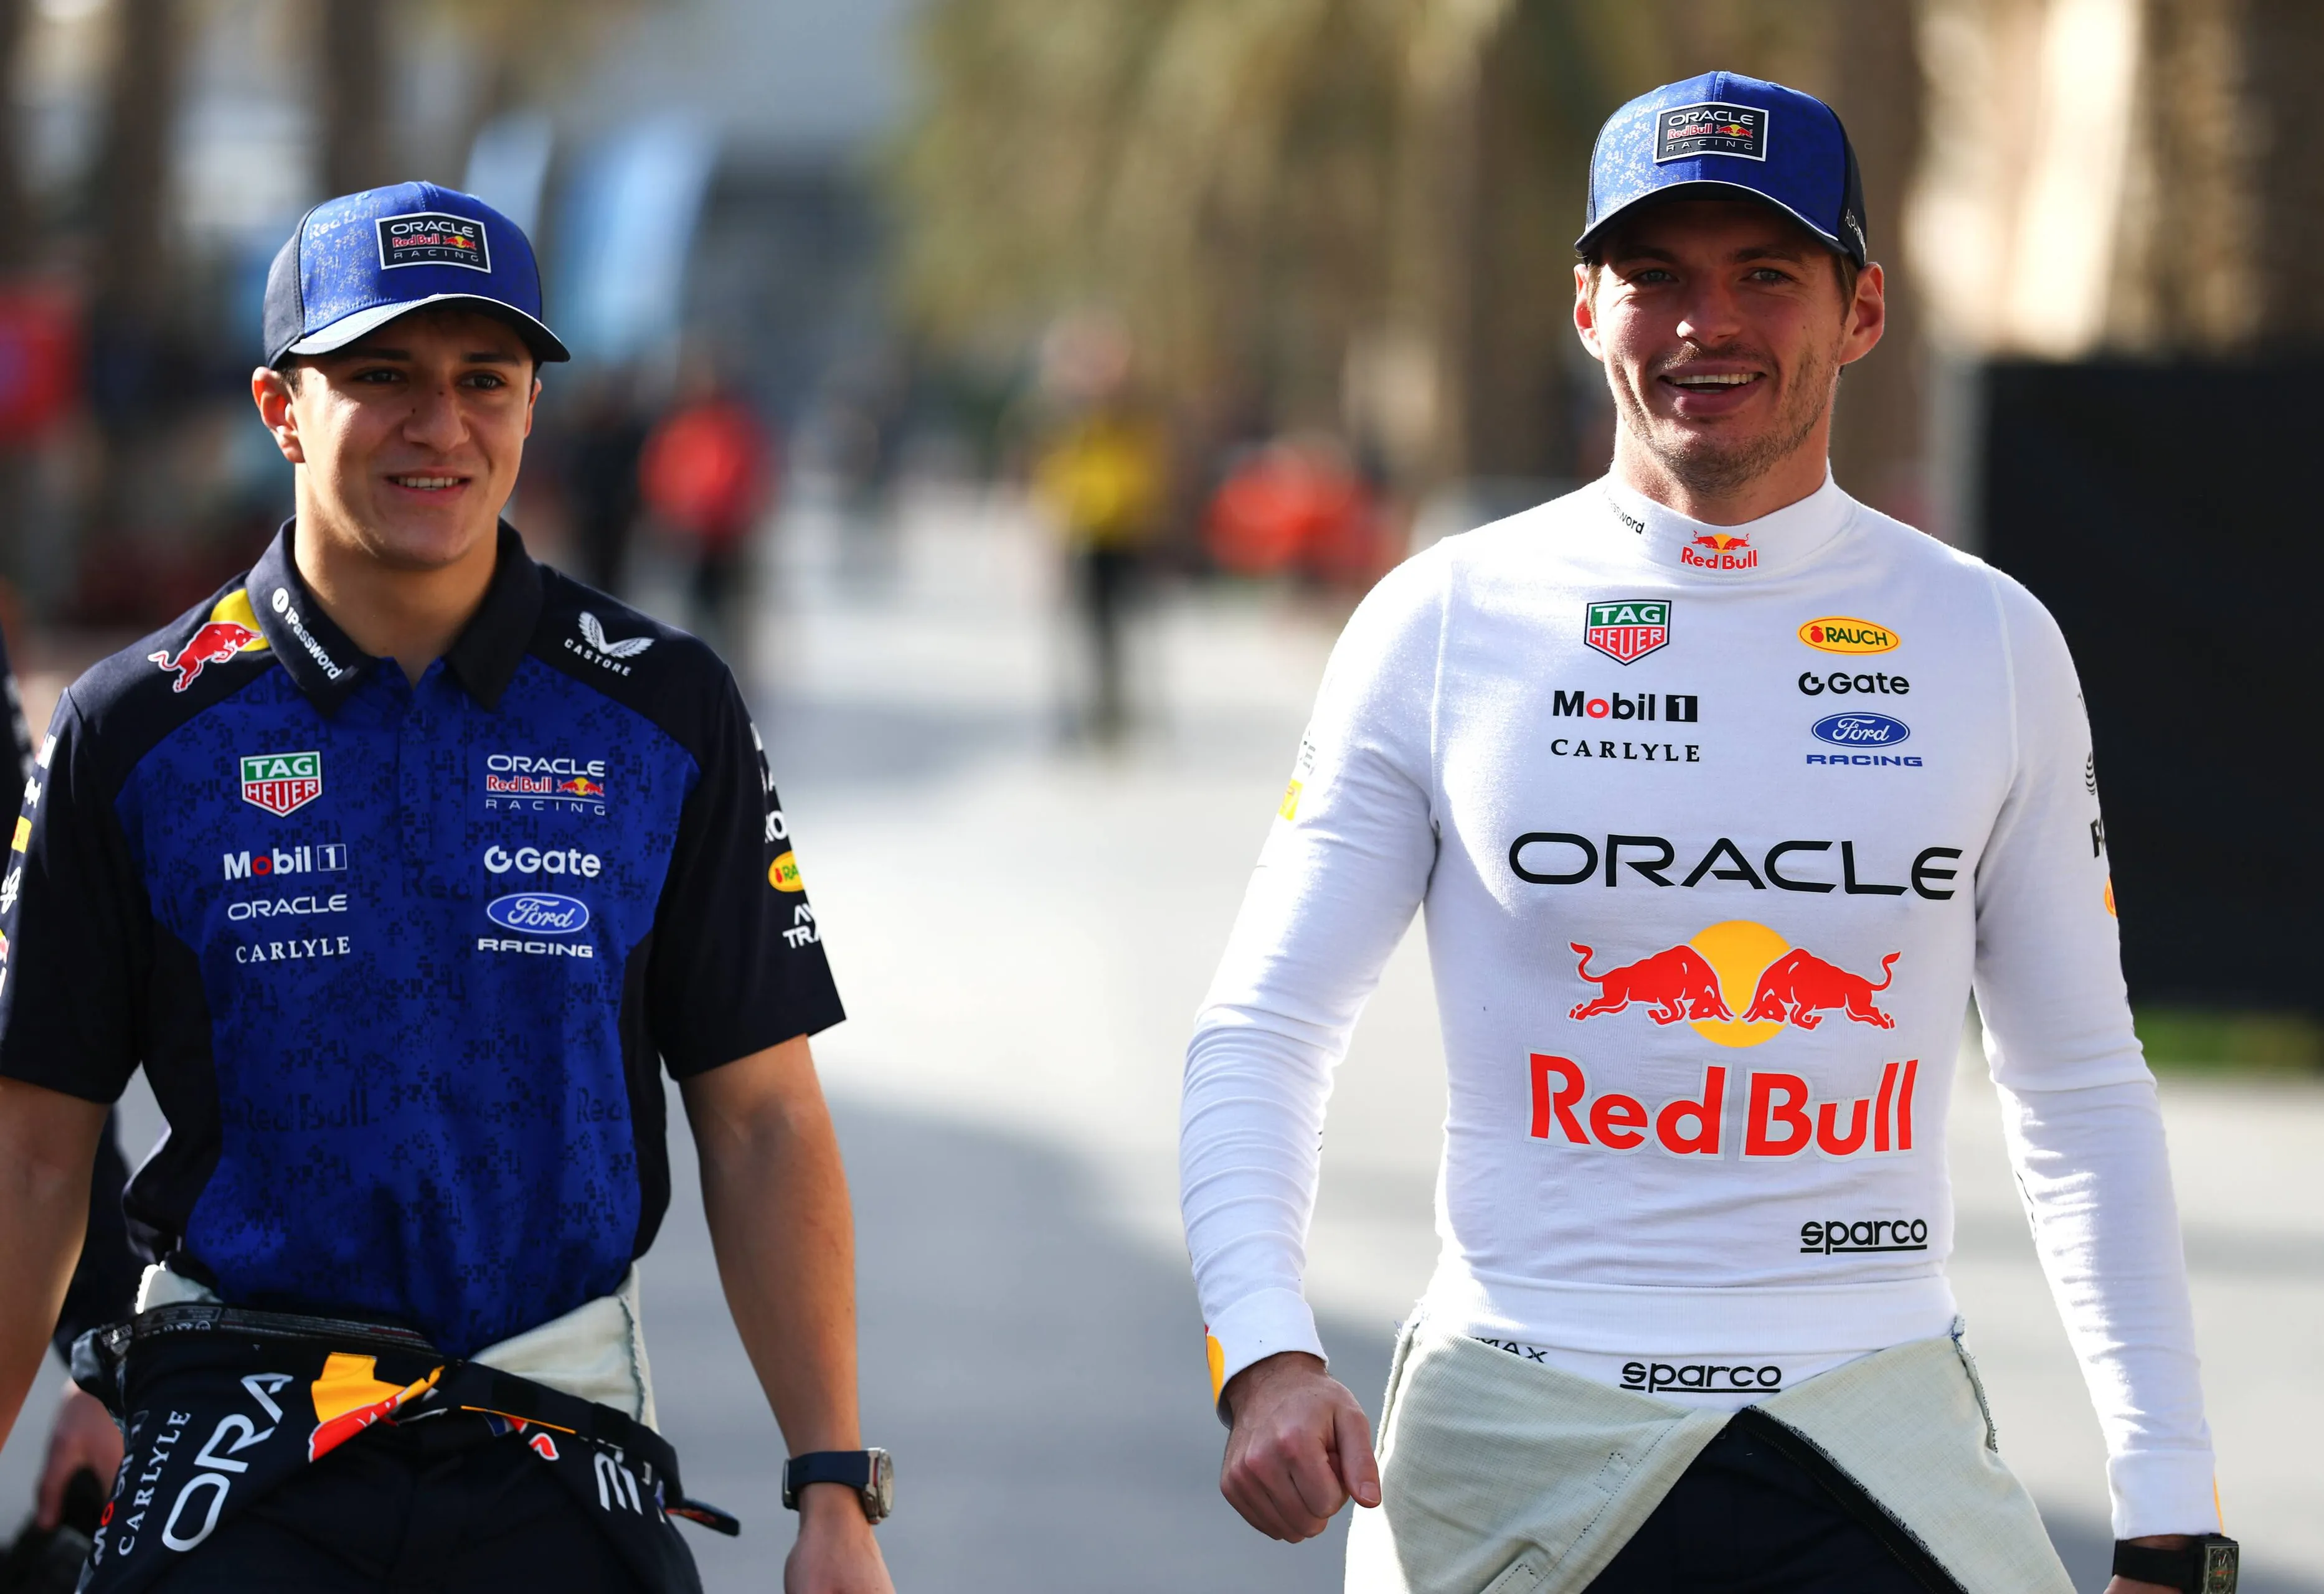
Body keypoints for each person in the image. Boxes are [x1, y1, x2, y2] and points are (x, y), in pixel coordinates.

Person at [1181, 72, 2236, 1594]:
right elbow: (1264, 1027)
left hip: (1875, 1420)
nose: (1706, 322)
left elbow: (2076, 1087)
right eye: (1657, 274)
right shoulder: (1443, 616)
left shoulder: (1990, 640)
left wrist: (2169, 1504)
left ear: (1860, 311)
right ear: (1586, 306)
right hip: (1516, 1413)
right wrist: (1264, 1351)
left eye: (1765, 274)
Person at [0, 181, 894, 1594]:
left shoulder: (663, 711)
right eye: (382, 377)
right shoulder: (136, 727)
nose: (442, 424)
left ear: (534, 404)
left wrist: (834, 1489)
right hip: (239, 1443)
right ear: (280, 407)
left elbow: (765, 1117)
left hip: (557, 1440)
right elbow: (38, 1150)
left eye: (487, 379)